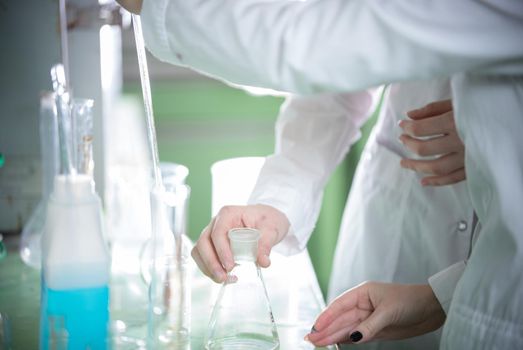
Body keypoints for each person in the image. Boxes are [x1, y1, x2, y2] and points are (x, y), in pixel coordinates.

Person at [117, 0, 523, 348]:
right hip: (395, 237)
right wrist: (278, 200)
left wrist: (498, 126)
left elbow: (329, 39)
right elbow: (340, 76)